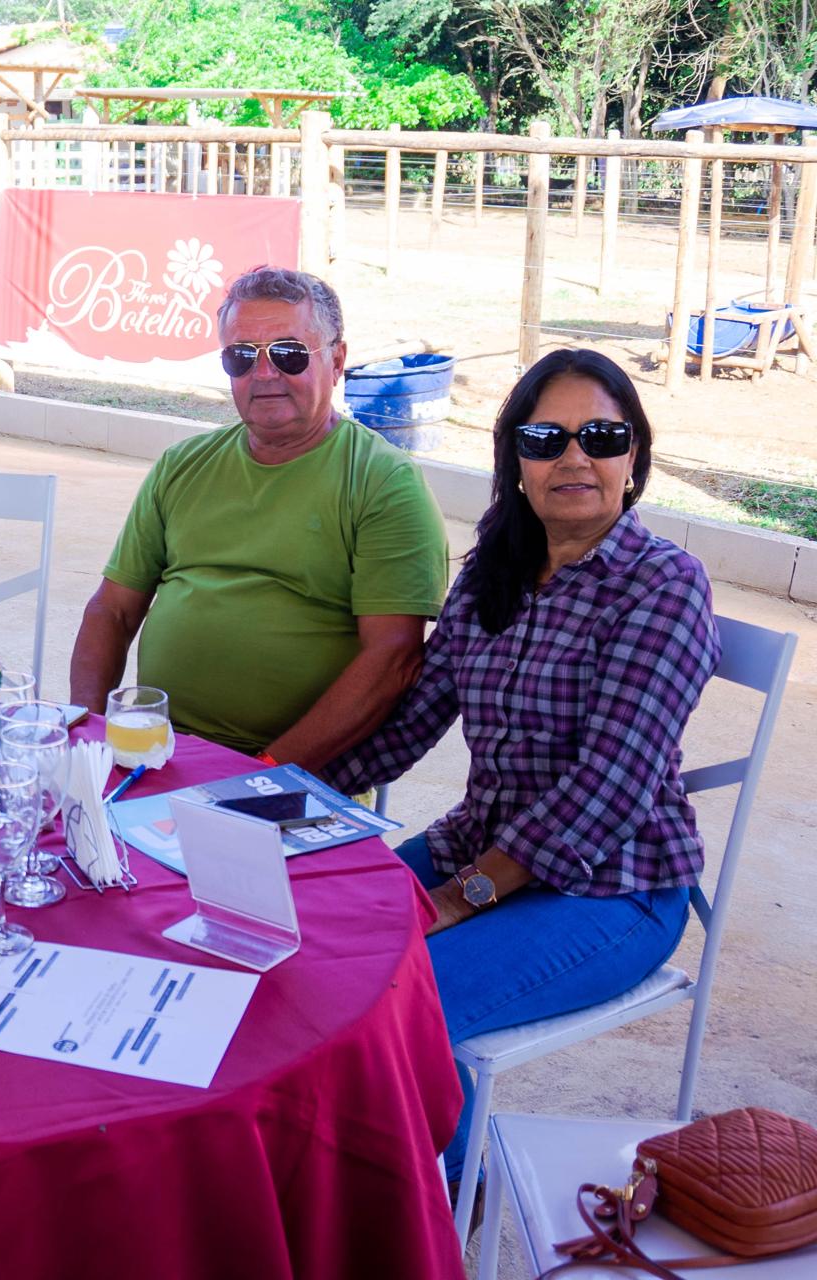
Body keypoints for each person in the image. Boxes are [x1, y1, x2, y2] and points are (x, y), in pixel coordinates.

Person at [323, 348, 718, 1186]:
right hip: (482, 849)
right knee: (327, 936)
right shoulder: (493, 574)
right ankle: (370, 1169)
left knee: (409, 999)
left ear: (634, 456)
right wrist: (286, 790)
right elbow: (410, 724)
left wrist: (460, 897)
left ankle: (442, 1203)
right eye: (546, 439)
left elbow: (609, 789)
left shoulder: (664, 585)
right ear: (516, 461)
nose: (574, 458)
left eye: (600, 436)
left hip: (616, 889)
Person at [68, 266, 448, 766]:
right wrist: (87, 733)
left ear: (336, 361)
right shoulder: (183, 465)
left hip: (294, 771)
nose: (264, 374)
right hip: (156, 752)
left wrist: (263, 771)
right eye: (241, 356)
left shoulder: (383, 482)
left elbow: (393, 660)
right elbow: (111, 611)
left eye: (289, 353)